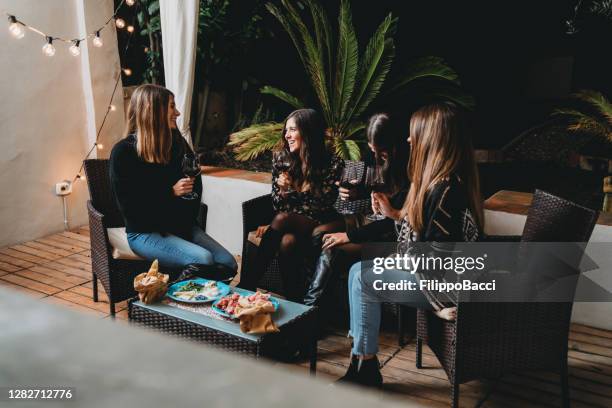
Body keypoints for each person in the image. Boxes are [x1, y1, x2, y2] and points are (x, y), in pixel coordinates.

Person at [338, 102, 484, 388]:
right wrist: (393, 214)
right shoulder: (435, 184)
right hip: (432, 275)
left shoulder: (447, 192)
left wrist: (435, 305)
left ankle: (365, 367)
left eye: (413, 134)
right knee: (357, 272)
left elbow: (436, 263)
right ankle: (360, 363)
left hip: (445, 288)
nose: (408, 140)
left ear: (431, 139)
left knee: (363, 279)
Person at [109, 84, 237, 278]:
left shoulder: (176, 142)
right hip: (144, 233)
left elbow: (195, 185)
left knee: (228, 264)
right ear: (153, 110)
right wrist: (170, 193)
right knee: (203, 259)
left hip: (180, 226)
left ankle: (203, 299)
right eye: (171, 107)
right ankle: (175, 302)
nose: (177, 112)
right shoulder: (123, 153)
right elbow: (131, 209)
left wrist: (184, 214)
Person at [303, 113, 410, 309]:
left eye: (382, 152)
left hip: (387, 235)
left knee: (332, 247)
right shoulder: (371, 157)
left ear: (395, 145)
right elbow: (368, 191)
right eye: (371, 149)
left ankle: (311, 309)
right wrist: (354, 193)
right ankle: (317, 300)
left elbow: (391, 222)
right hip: (366, 220)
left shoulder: (409, 170)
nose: (376, 157)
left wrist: (349, 236)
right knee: (318, 234)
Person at [240, 108, 344, 301]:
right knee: (288, 241)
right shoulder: (282, 159)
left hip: (320, 224)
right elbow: (277, 204)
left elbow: (323, 205)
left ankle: (247, 282)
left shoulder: (333, 163)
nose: (287, 135)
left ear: (308, 131)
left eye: (292, 130)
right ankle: (294, 301)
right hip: (290, 225)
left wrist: (296, 188)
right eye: (286, 130)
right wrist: (281, 190)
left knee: (282, 219)